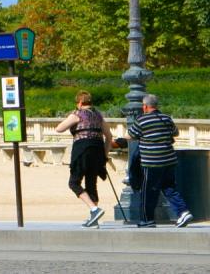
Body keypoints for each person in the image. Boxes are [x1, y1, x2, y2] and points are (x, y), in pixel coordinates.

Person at [128, 94, 194, 228]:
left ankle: (147, 220)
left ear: (145, 106)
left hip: (151, 162)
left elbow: (130, 135)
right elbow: (175, 133)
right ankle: (183, 212)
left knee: (147, 191)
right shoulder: (166, 118)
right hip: (169, 160)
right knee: (169, 187)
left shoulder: (142, 120)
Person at [55, 90, 115, 227]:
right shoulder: (99, 116)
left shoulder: (77, 114)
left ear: (80, 102)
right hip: (98, 150)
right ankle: (94, 219)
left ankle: (94, 209)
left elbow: (59, 129)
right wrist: (105, 155)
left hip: (83, 149)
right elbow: (109, 136)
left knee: (74, 183)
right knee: (91, 183)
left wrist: (72, 115)